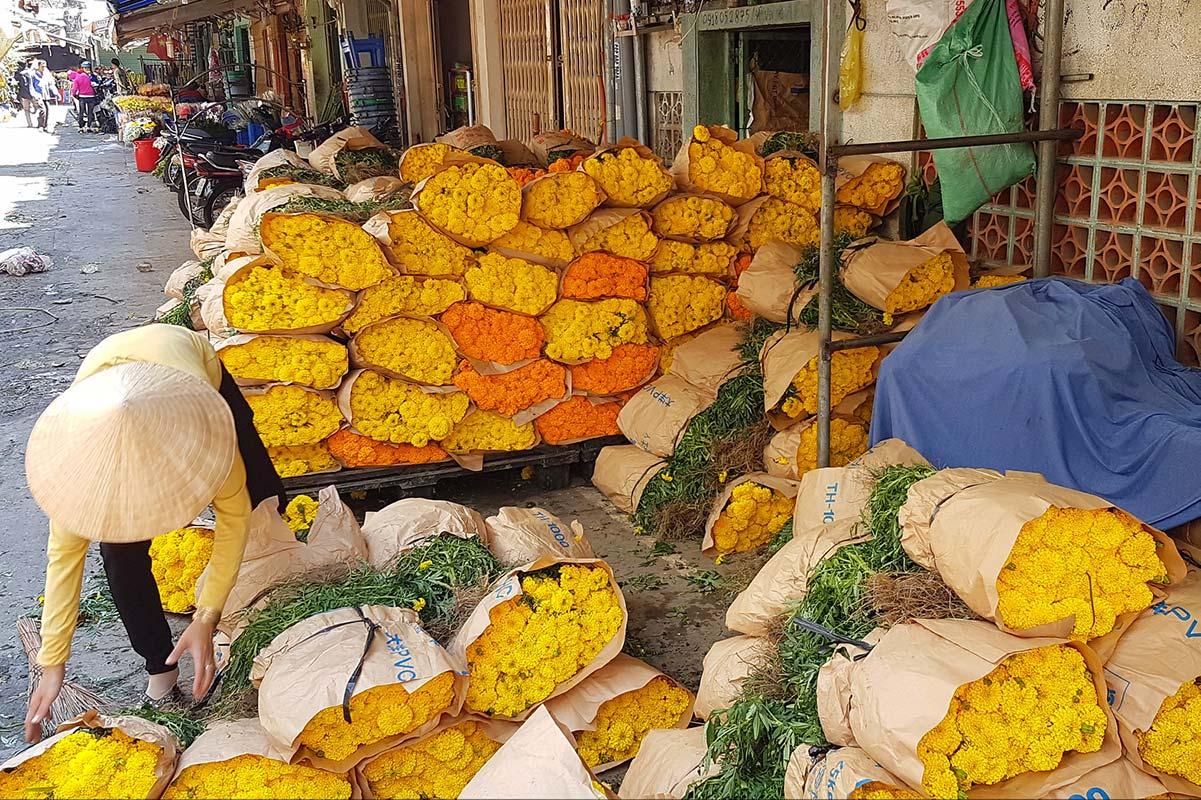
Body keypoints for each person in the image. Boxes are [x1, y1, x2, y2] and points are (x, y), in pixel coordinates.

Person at [23, 325, 285, 742]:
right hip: (105, 395)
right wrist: (52, 663)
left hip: (185, 361)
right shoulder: (79, 476)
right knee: (119, 554)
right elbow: (63, 564)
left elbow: (233, 520)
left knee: (261, 487)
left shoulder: (206, 432)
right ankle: (160, 670)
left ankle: (275, 565)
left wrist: (206, 616)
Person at [69, 61, 97, 132]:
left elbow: (74, 88)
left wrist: (73, 95)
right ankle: (88, 127)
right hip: (91, 96)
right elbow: (97, 84)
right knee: (90, 112)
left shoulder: (78, 77)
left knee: (81, 112)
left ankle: (81, 127)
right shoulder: (92, 77)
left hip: (82, 97)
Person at [34, 61, 58, 130]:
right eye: (42, 66)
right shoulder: (34, 75)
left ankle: (45, 125)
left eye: (45, 66)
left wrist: (56, 93)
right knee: (42, 110)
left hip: (46, 95)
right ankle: (41, 125)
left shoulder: (46, 75)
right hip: (38, 95)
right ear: (38, 66)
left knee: (47, 109)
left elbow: (51, 84)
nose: (43, 68)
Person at [15, 60, 35, 127]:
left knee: (27, 110)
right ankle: (39, 123)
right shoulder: (31, 72)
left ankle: (30, 124)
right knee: (39, 108)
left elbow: (18, 83)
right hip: (33, 93)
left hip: (25, 94)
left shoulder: (20, 74)